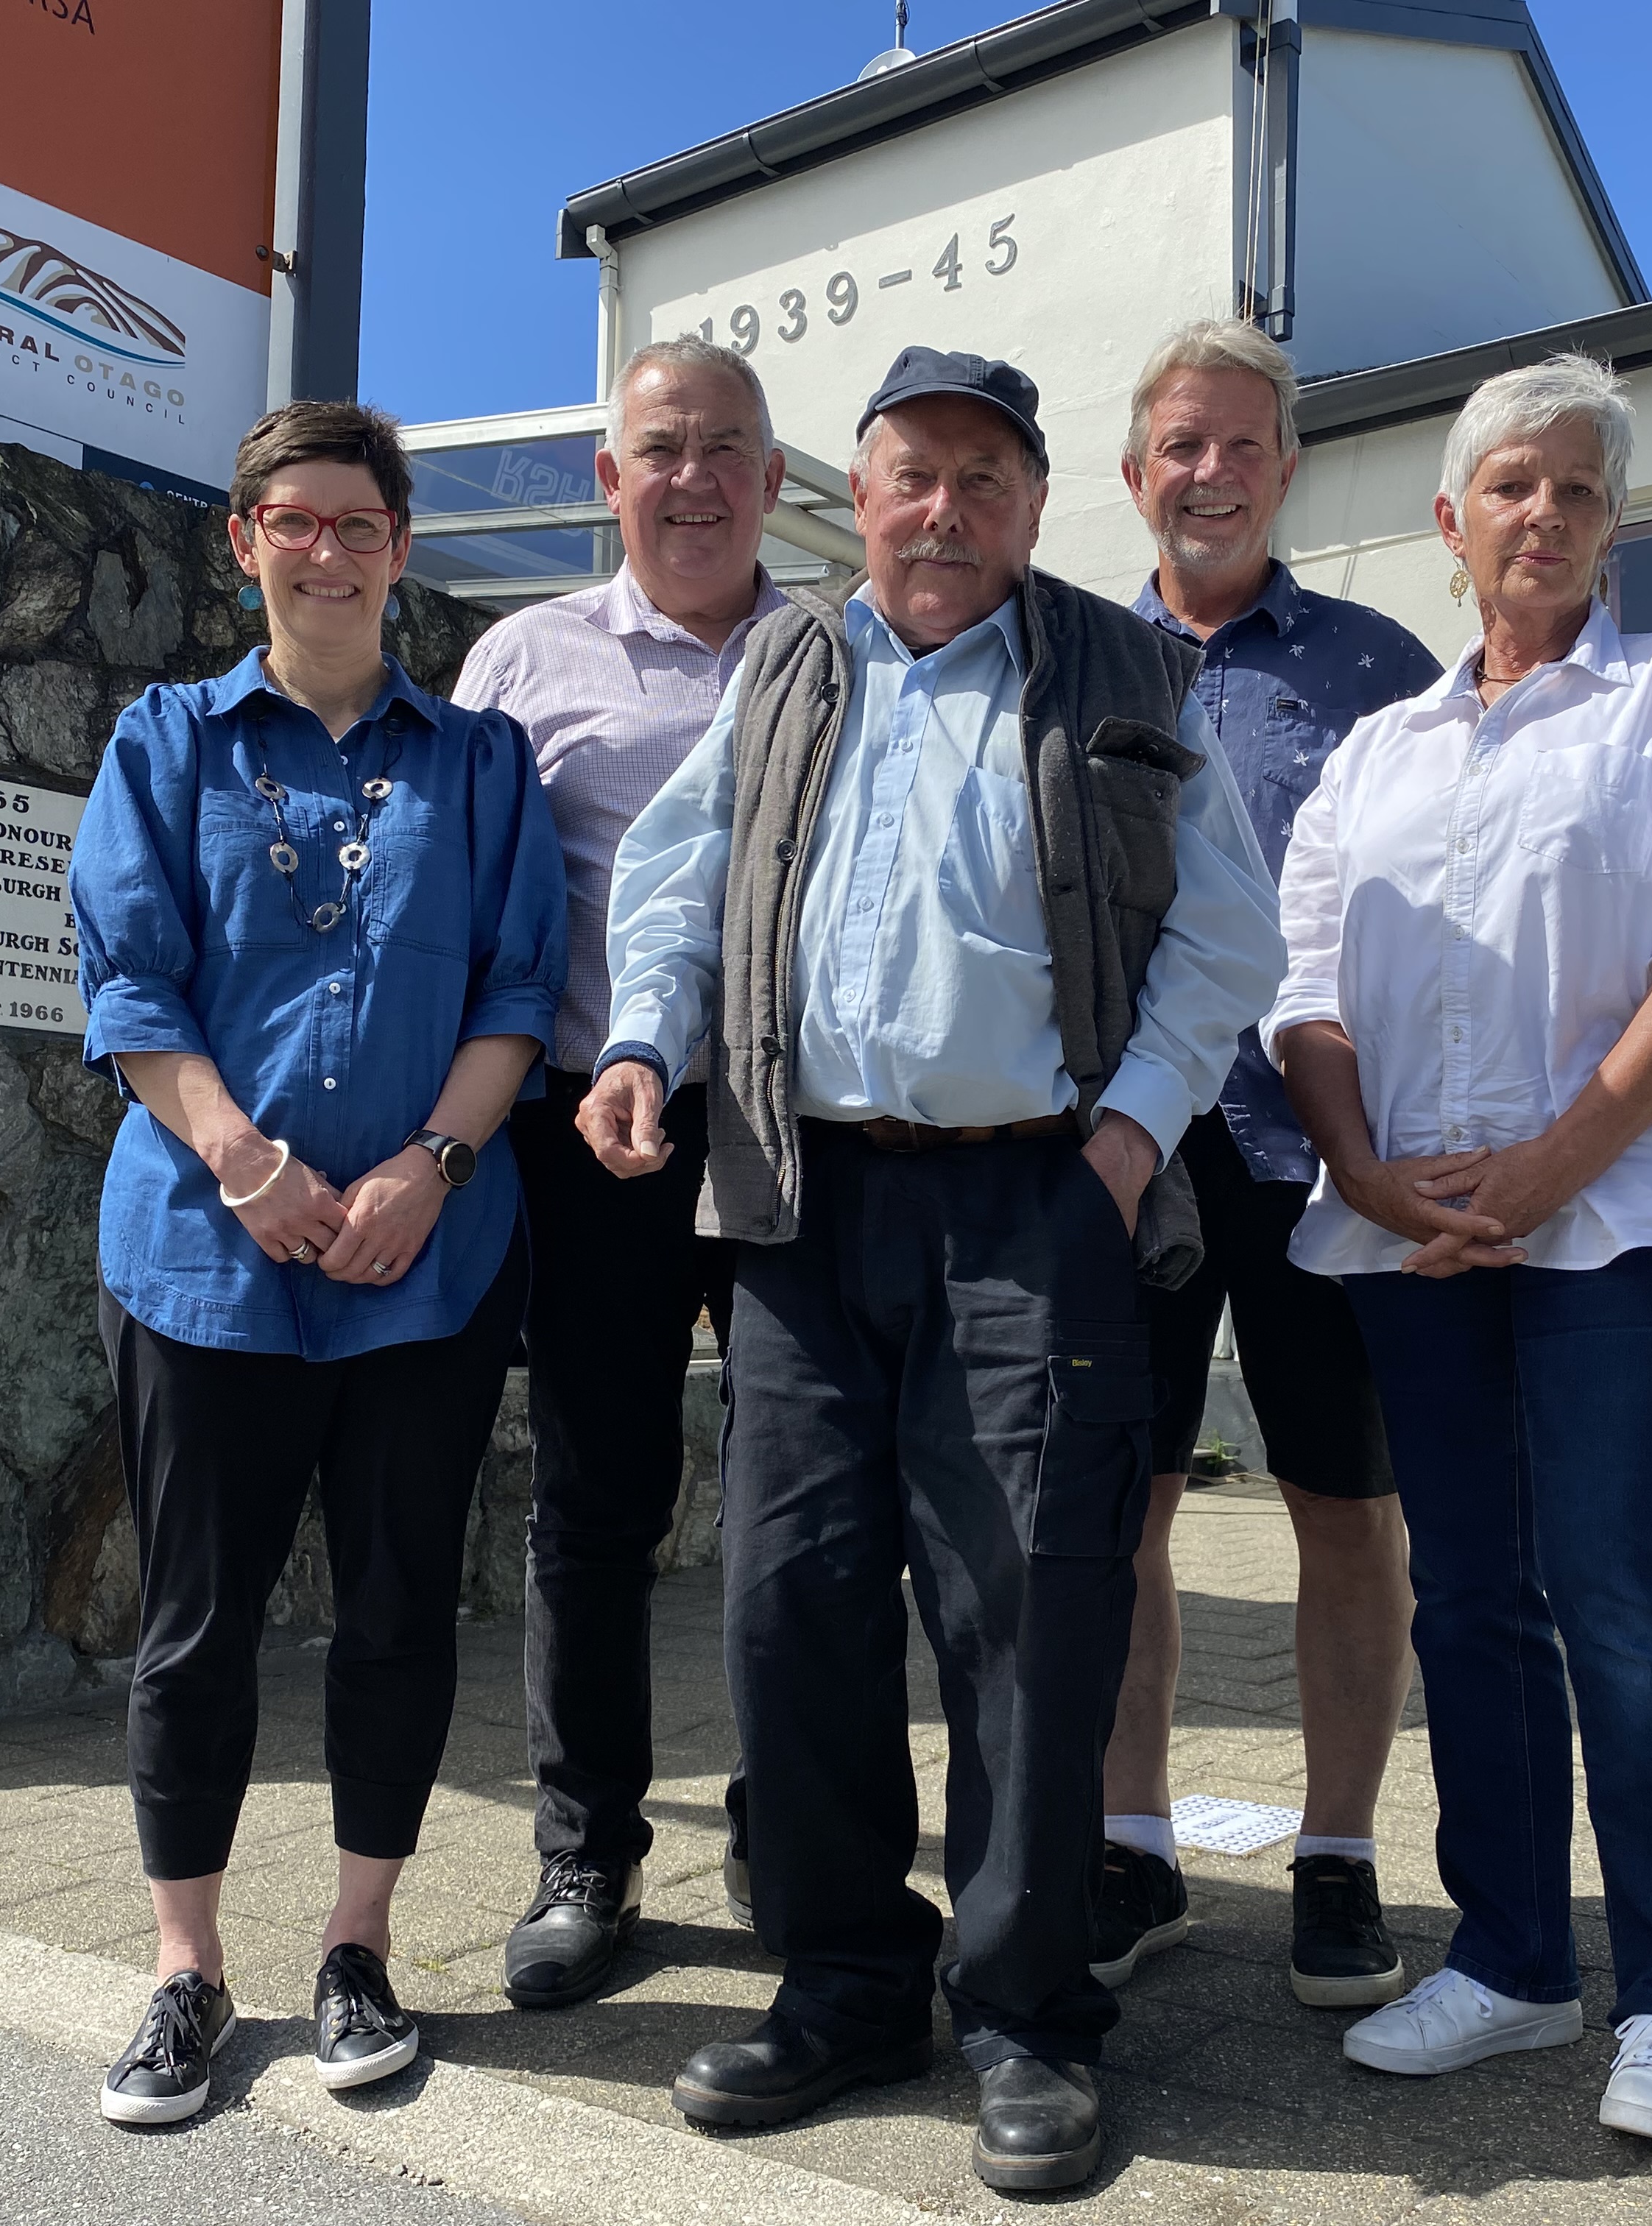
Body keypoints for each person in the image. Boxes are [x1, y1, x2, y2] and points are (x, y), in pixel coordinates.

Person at [583, 347, 1284, 2193]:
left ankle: (1029, 2015)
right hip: (802, 1208)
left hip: (1032, 1207)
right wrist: (650, 1044)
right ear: (863, 495)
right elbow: (679, 878)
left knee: (1027, 1621)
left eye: (985, 479)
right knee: (787, 1601)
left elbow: (1228, 937)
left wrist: (1125, 1139)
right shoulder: (792, 662)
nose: (946, 511)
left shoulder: (1127, 672)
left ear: (1038, 506)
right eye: (913, 477)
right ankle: (843, 1981)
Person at [1266, 353, 1652, 2149]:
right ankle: (1509, 1960)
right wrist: (1367, 1164)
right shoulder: (1376, 751)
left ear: (1613, 522)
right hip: (1411, 1241)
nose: (1545, 514)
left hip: (1625, 1240)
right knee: (1474, 1603)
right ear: (1451, 522)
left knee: (1624, 1601)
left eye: (1578, 489)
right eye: (1511, 485)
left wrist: (1549, 1171)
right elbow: (1310, 990)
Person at [70, 400, 565, 2125]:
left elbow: (515, 988)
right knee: (196, 1624)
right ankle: (183, 1970)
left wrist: (433, 1164)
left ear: (403, 547)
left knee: (397, 1611)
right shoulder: (168, 742)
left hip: (426, 1261)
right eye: (299, 520)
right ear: (248, 538)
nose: (331, 552)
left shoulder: (481, 763)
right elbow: (132, 984)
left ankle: (358, 1945)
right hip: (208, 1258)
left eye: (363, 524)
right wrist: (248, 1161)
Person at [1094, 319, 1442, 2011]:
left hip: (1324, 1154)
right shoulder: (1072, 659)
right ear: (1135, 473)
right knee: (1125, 1504)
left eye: (1243, 446)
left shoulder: (1384, 670)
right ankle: (1134, 1840)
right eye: (1182, 445)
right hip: (1133, 1152)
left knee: (1345, 1505)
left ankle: (1338, 1856)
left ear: (1285, 469)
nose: (1211, 474)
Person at [448, 336, 786, 2010]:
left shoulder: (842, 654)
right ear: (611, 480)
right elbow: (459, 905)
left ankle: (790, 1828)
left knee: (806, 1508)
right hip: (594, 1128)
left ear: (776, 482)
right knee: (597, 1502)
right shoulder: (522, 660)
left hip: (806, 1135)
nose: (695, 475)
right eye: (663, 445)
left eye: (727, 445)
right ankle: (588, 1851)